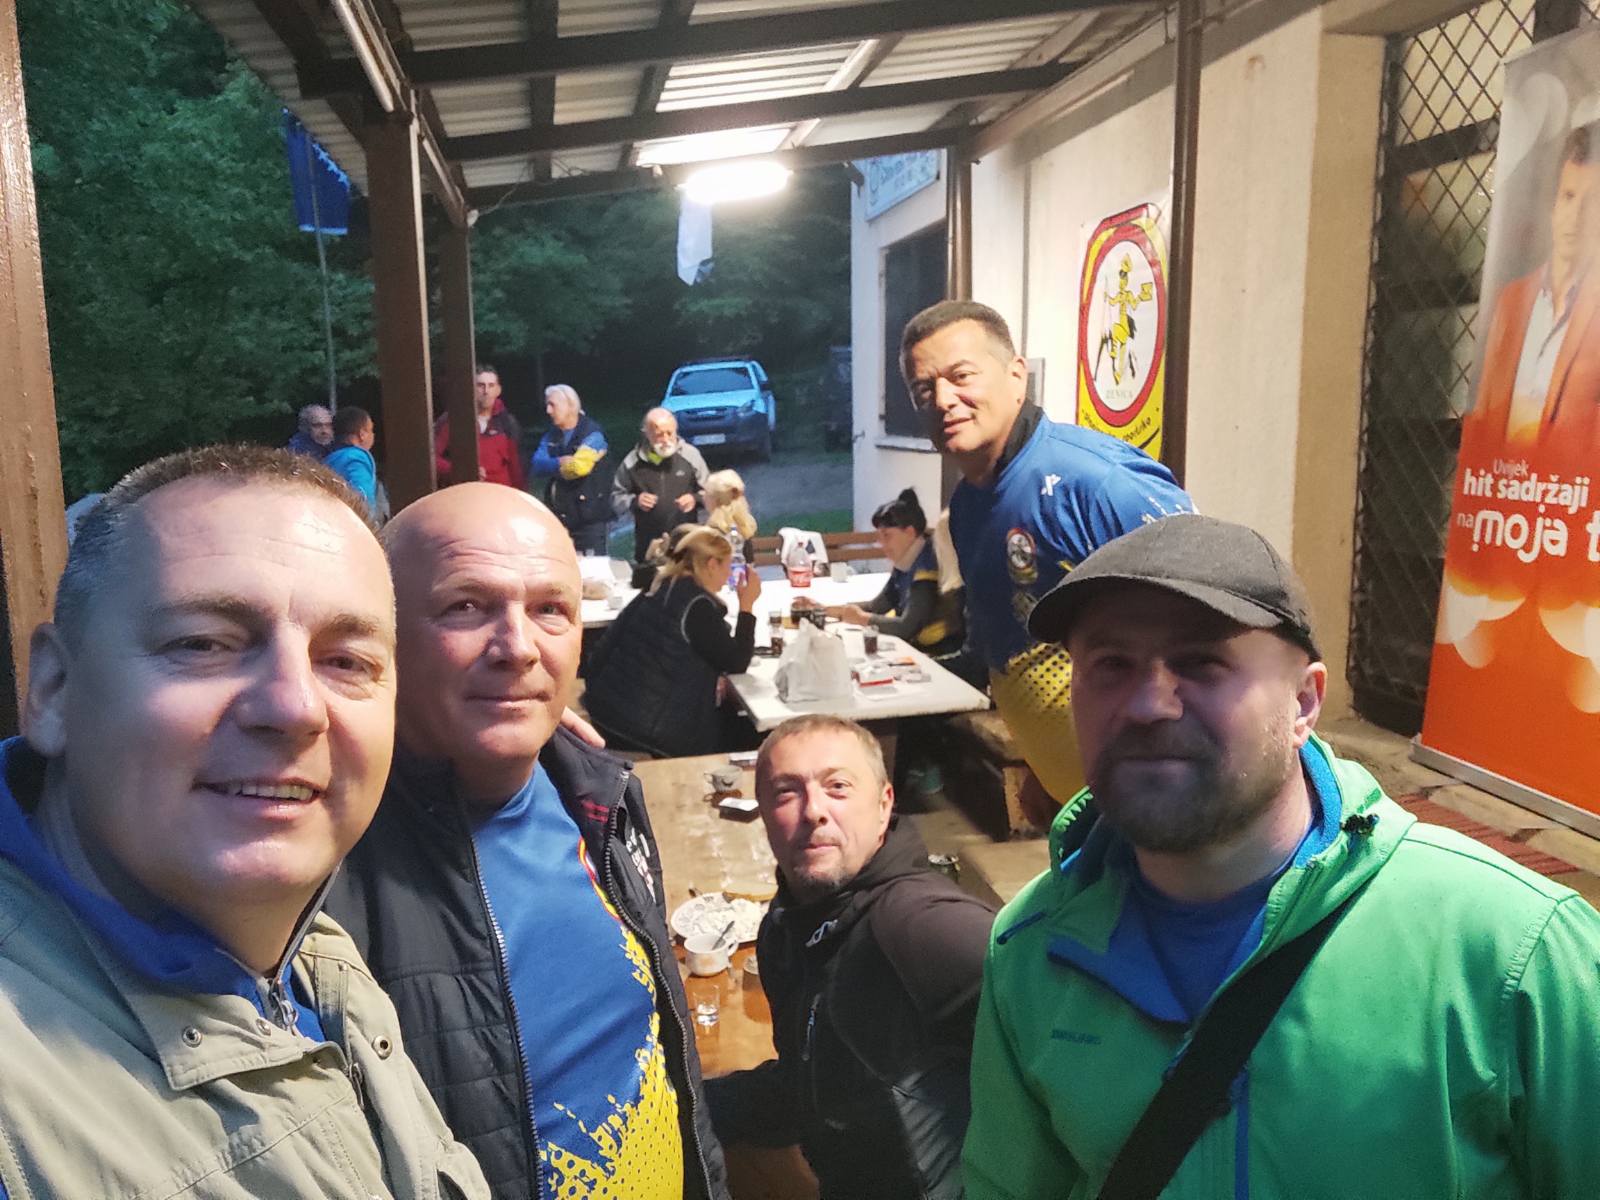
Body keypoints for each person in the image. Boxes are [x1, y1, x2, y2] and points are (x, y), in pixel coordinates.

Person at [962, 513, 1600, 1199]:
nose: (1148, 704)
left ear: (1304, 702)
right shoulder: (1031, 950)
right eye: (1111, 665)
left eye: (1201, 663)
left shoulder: (1512, 951)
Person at [0, 446, 489, 1199]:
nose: (295, 707)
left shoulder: (313, 957)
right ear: (55, 690)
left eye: (347, 661)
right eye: (203, 644)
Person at [323, 483, 728, 1200]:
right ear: (380, 640)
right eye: (465, 607)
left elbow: (666, 1063)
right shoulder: (321, 874)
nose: (517, 648)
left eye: (550, 610)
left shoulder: (602, 798)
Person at [901, 299, 1193, 828]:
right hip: (1082, 798)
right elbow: (1010, 644)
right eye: (924, 390)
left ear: (1017, 376)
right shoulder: (966, 508)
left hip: (1161, 803)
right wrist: (1042, 767)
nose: (943, 400)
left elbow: (1209, 634)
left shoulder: (1097, 482)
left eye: (961, 376)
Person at [707, 716, 996, 1200]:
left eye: (837, 787)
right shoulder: (789, 925)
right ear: (763, 814)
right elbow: (811, 1084)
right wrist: (690, 1102)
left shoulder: (919, 925)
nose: (813, 811)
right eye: (786, 792)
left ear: (884, 806)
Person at [1463, 123, 1600, 455]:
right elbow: (1488, 408)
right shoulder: (1512, 299)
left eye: (1592, 202)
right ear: (1553, 206)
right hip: (1505, 479)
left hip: (1566, 483)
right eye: (1568, 197)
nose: (1576, 216)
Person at [583, 525, 761, 758]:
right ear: (711, 564)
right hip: (647, 732)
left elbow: (602, 651)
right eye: (727, 566)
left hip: (606, 710)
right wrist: (747, 606)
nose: (729, 575)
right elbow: (737, 662)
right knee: (751, 734)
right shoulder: (696, 605)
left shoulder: (660, 586)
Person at [825, 488, 964, 658]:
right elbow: (878, 606)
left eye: (887, 536)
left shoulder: (927, 566)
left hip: (939, 654)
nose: (881, 544)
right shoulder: (905, 561)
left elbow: (907, 627)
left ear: (910, 532)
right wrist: (828, 610)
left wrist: (862, 618)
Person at [612, 407, 708, 572]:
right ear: (647, 434)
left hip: (687, 544)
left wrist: (695, 499)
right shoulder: (632, 462)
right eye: (659, 435)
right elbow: (615, 497)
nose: (665, 439)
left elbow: (710, 492)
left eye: (670, 433)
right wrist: (636, 501)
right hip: (649, 546)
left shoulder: (691, 455)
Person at [529, 383, 611, 555]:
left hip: (589, 521)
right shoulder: (552, 435)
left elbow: (578, 468)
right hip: (560, 517)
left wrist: (552, 467)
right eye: (547, 405)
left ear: (570, 406)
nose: (548, 411)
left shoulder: (593, 434)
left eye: (553, 405)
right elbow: (536, 464)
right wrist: (559, 462)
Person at [434, 364, 525, 488]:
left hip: (500, 494)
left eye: (491, 385)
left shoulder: (507, 423)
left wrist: (519, 495)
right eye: (481, 385)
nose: (486, 391)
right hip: (465, 492)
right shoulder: (454, 420)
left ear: (498, 390)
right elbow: (432, 459)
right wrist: (459, 471)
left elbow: (517, 469)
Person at [324, 404, 378, 515]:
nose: (373, 435)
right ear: (362, 434)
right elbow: (363, 499)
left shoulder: (329, 460)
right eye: (371, 430)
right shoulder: (357, 459)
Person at [705, 468, 757, 554]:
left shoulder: (711, 534)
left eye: (706, 493)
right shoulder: (744, 528)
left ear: (716, 500)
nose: (704, 497)